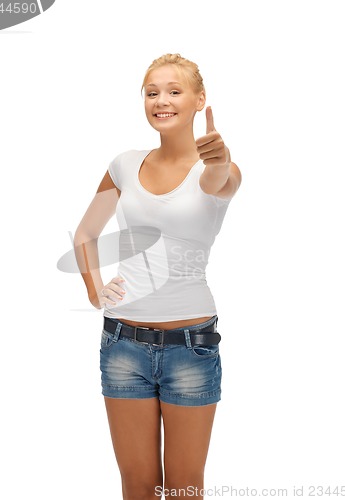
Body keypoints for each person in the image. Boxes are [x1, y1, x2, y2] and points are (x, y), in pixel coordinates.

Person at [73, 53, 242, 500]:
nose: (161, 101)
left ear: (198, 99)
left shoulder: (216, 170)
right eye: (152, 93)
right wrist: (95, 291)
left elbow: (219, 181)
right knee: (139, 486)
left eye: (173, 91)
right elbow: (87, 233)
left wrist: (220, 159)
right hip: (122, 344)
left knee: (185, 488)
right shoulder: (125, 164)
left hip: (191, 346)